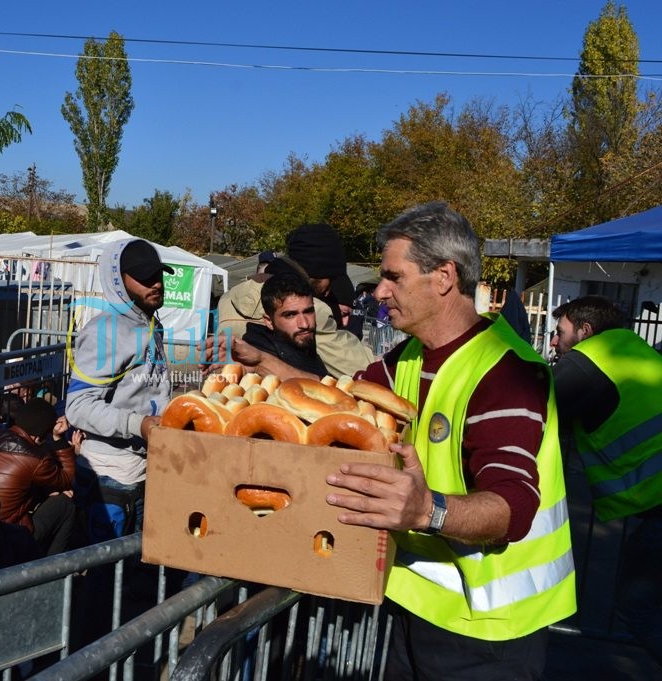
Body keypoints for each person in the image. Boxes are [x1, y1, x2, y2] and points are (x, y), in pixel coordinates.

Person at [324, 202, 575, 680]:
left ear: (443, 277)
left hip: (490, 632)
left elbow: (512, 506)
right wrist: (270, 371)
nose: (379, 292)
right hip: (413, 606)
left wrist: (426, 510)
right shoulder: (407, 357)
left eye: (393, 277)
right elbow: (339, 400)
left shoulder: (508, 371)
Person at [551, 295, 662, 666]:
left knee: (637, 604)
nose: (554, 341)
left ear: (585, 331)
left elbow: (536, 405)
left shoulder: (590, 360)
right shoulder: (633, 348)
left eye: (560, 332)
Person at [65, 238, 172, 543]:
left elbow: (144, 390)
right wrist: (137, 424)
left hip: (143, 469)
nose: (156, 283)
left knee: (131, 578)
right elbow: (78, 406)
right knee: (102, 579)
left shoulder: (151, 324)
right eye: (144, 277)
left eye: (159, 275)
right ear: (118, 282)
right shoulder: (104, 331)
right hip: (108, 477)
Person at [215, 224, 373, 378]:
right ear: (318, 270)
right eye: (331, 278)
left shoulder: (229, 296)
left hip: (233, 396)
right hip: (288, 398)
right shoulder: (311, 310)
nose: (330, 289)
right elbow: (360, 368)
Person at [0, 400, 82, 556]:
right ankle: (54, 572)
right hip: (4, 537)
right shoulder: (36, 460)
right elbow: (66, 479)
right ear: (38, 437)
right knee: (65, 504)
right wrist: (59, 440)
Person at [241, 273, 328, 379]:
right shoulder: (253, 355)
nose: (304, 324)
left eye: (308, 311)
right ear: (269, 322)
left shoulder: (302, 343)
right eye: (290, 315)